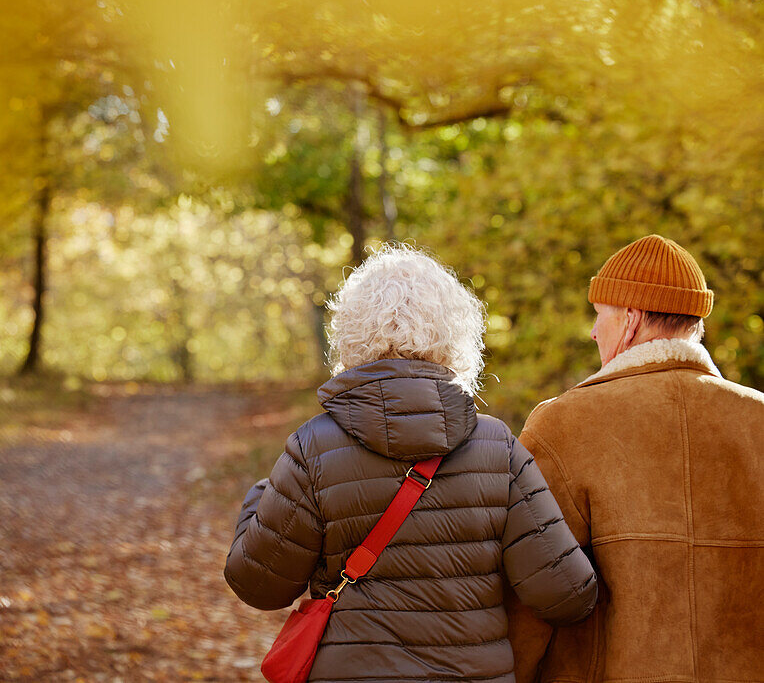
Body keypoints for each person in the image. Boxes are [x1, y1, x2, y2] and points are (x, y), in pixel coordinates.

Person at [224, 244, 597, 682]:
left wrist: (257, 500)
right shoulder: (499, 447)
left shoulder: (313, 448)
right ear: (455, 334)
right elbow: (567, 595)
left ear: (350, 333)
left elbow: (259, 585)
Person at [507, 234, 764, 682]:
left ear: (631, 318)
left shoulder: (563, 425)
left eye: (599, 315)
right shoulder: (757, 420)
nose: (592, 331)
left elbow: (528, 594)